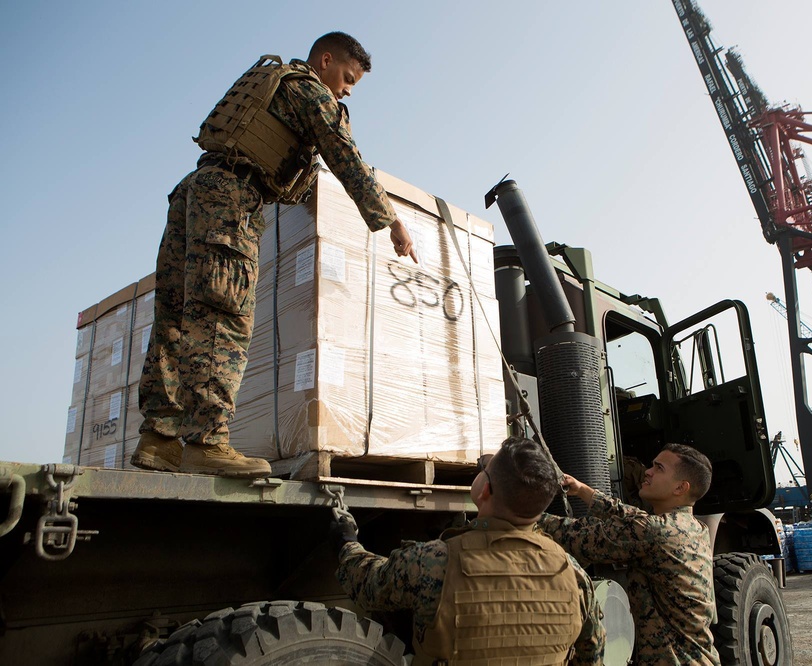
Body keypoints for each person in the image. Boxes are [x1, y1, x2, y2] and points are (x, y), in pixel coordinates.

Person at [131, 32, 417, 478]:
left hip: (194, 191)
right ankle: (206, 441)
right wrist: (391, 221)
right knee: (222, 316)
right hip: (231, 200)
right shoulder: (309, 91)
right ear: (326, 61)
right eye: (346, 79)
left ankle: (160, 438)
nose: (345, 90)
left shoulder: (273, 81)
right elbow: (346, 157)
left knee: (176, 317)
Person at [331, 436, 606, 664]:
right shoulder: (573, 574)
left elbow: (369, 585)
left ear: (485, 489)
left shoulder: (435, 562)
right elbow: (591, 654)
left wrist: (348, 543)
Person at [539, 442, 720, 666]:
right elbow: (634, 516)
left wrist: (522, 514)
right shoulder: (693, 527)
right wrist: (585, 492)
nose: (647, 471)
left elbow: (576, 536)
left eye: (659, 468)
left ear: (680, 488)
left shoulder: (655, 532)